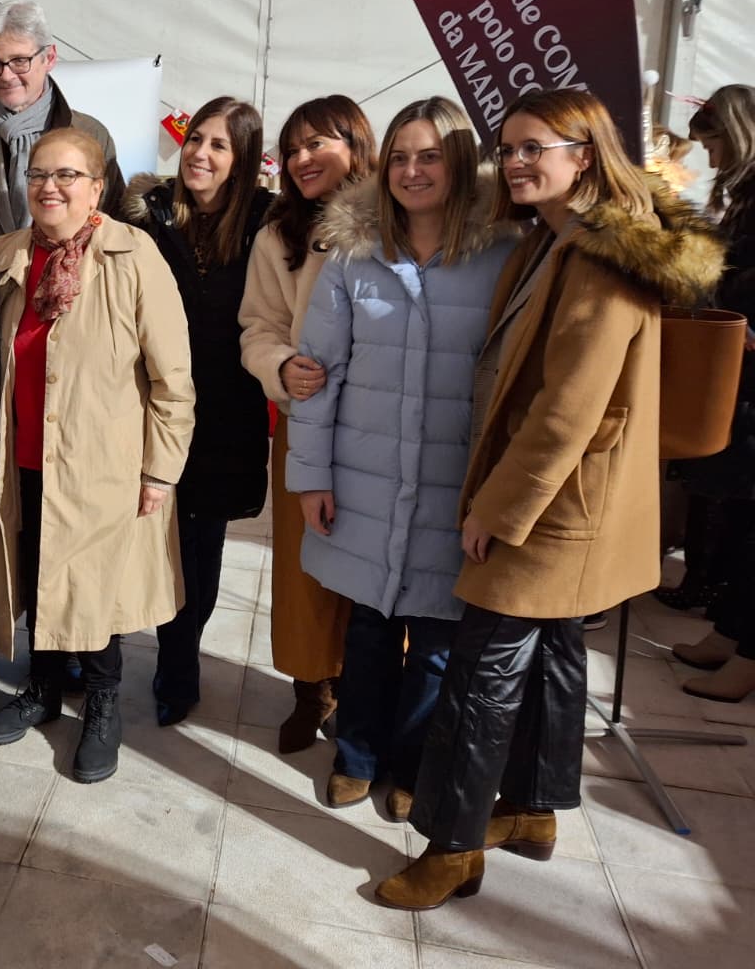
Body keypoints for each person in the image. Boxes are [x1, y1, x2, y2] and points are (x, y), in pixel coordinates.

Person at [377, 88, 721, 910]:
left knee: (481, 672)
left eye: (538, 147)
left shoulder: (603, 256)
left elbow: (569, 409)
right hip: (565, 501)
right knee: (556, 654)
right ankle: (532, 811)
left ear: (587, 156)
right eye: (511, 148)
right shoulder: (555, 237)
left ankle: (452, 848)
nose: (518, 162)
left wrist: (497, 510)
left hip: (553, 505)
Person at [285, 98, 517, 820]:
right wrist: (311, 475)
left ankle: (416, 759)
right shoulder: (354, 255)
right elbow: (316, 371)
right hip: (366, 478)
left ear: (462, 165)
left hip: (454, 481)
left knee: (441, 638)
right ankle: (356, 753)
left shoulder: (503, 254)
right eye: (401, 158)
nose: (414, 172)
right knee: (371, 625)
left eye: (431, 156)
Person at [0, 127, 194, 783]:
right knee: (42, 575)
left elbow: (173, 378)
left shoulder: (134, 256)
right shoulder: (5, 254)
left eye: (68, 175)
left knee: (96, 591)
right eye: (40, 174)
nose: (51, 187)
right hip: (24, 456)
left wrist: (161, 468)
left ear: (97, 186)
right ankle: (43, 691)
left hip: (104, 462)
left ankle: (102, 705)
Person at [122, 96, 272, 727]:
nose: (200, 155)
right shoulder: (152, 216)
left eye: (218, 145)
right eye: (195, 140)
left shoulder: (269, 222)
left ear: (242, 160)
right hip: (153, 404)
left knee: (201, 546)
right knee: (144, 535)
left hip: (226, 415)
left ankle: (178, 664)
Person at [238, 95, 376, 752]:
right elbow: (258, 324)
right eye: (291, 149)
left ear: (357, 144)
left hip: (381, 432)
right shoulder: (278, 234)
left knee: (371, 571)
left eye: (317, 143)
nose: (299, 160)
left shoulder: (397, 223)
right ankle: (309, 689)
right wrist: (280, 363)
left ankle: (364, 695)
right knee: (304, 573)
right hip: (305, 422)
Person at [666, 84, 755, 699]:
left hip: (749, 368)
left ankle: (746, 654)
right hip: (738, 372)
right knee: (739, 514)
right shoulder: (745, 194)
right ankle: (730, 631)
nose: (711, 156)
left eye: (715, 141)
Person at [0, 0, 124, 253]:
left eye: (20, 61)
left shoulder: (90, 135)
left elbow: (112, 224)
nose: (7, 76)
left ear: (50, 57)